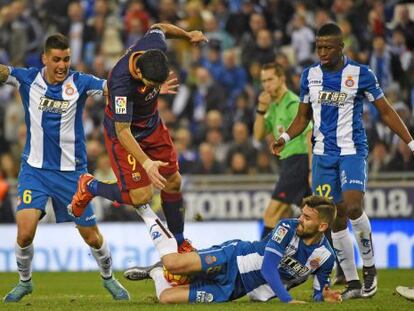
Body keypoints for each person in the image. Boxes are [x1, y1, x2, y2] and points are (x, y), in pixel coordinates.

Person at [271, 23, 414, 299]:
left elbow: (385, 111)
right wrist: (286, 137)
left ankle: (370, 269)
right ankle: (352, 281)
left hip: (352, 150)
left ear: (341, 47)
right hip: (323, 155)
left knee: (352, 206)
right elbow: (303, 117)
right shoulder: (309, 75)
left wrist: (410, 142)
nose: (322, 52)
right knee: (333, 218)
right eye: (318, 47)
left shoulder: (361, 74)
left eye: (327, 47)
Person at [1, 34, 129, 303]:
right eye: (56, 59)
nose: (62, 65)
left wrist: (144, 87)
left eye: (67, 59)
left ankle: (108, 278)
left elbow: (112, 88)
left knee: (92, 238)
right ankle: (25, 282)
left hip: (72, 174)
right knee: (24, 233)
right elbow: (3, 72)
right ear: (45, 58)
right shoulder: (27, 79)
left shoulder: (80, 82)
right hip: (34, 170)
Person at [68, 23, 208, 252]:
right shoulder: (120, 85)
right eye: (152, 85)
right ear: (139, 73)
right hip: (125, 134)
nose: (155, 88)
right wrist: (146, 163)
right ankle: (90, 186)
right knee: (141, 195)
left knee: (174, 181)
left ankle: (180, 242)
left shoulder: (154, 45)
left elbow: (160, 26)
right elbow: (123, 130)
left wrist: (187, 35)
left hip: (152, 125)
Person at [123, 195, 342, 304]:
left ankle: (156, 273)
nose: (300, 219)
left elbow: (317, 294)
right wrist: (287, 300)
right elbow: (268, 268)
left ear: (322, 226)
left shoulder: (325, 258)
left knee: (167, 298)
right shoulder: (287, 227)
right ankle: (143, 209)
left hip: (236, 290)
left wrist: (325, 295)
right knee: (173, 263)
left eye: (307, 217)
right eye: (302, 214)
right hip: (234, 258)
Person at [253, 62, 312, 238]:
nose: (266, 84)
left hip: (298, 160)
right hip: (288, 162)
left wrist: (311, 169)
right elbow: (258, 135)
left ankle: (261, 258)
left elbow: (310, 136)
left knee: (272, 214)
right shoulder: (273, 106)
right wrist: (261, 110)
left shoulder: (292, 103)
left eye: (270, 79)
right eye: (263, 81)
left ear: (282, 79)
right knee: (308, 214)